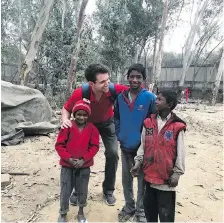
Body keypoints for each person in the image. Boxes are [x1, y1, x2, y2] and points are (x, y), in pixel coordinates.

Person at [61, 63, 128, 206]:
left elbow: (136, 92)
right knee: (79, 155)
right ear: (91, 83)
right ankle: (78, 190)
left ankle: (108, 190)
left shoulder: (114, 90)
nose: (107, 84)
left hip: (107, 123)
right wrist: (65, 120)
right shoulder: (81, 93)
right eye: (102, 82)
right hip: (87, 125)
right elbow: (66, 108)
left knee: (113, 153)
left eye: (108, 80)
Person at [131, 90, 186, 222]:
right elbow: (143, 145)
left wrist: (177, 173)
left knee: (166, 215)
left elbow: (181, 152)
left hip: (166, 179)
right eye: (156, 99)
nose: (155, 101)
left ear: (169, 104)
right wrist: (138, 163)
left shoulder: (177, 126)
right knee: (150, 213)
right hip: (149, 177)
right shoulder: (148, 123)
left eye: (160, 99)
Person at [114, 64, 156, 222]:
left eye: (138, 77)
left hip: (143, 149)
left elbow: (153, 123)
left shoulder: (150, 98)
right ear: (127, 77)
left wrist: (148, 143)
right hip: (125, 146)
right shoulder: (120, 97)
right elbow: (116, 117)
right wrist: (119, 134)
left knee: (143, 181)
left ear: (143, 79)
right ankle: (129, 207)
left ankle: (141, 211)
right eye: (132, 76)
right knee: (126, 179)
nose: (135, 79)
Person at [55, 99, 99, 222]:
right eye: (79, 114)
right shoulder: (67, 127)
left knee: (82, 188)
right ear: (74, 114)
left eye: (85, 115)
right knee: (65, 188)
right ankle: (63, 213)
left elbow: (94, 146)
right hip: (67, 165)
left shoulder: (92, 129)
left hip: (84, 166)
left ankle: (80, 212)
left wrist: (83, 159)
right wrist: (69, 159)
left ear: (88, 116)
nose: (81, 117)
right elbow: (59, 145)